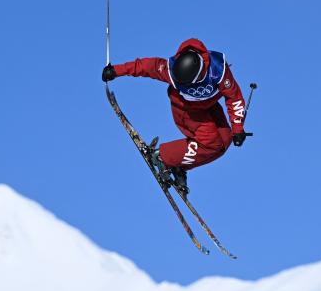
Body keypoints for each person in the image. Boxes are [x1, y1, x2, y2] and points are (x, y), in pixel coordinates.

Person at [102, 38, 249, 193]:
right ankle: (163, 156)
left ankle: (179, 164)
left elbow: (234, 97)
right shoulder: (170, 69)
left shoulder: (218, 70)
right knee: (211, 142)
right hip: (185, 110)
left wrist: (238, 128)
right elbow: (147, 66)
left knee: (225, 140)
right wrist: (116, 71)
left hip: (209, 106)